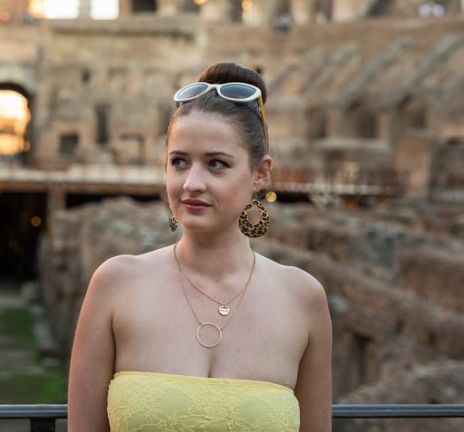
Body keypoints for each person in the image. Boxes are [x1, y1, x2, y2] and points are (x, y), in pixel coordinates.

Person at [67, 62, 332, 431]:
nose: (191, 182)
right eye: (179, 162)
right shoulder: (114, 284)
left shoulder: (303, 298)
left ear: (260, 174)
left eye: (216, 164)